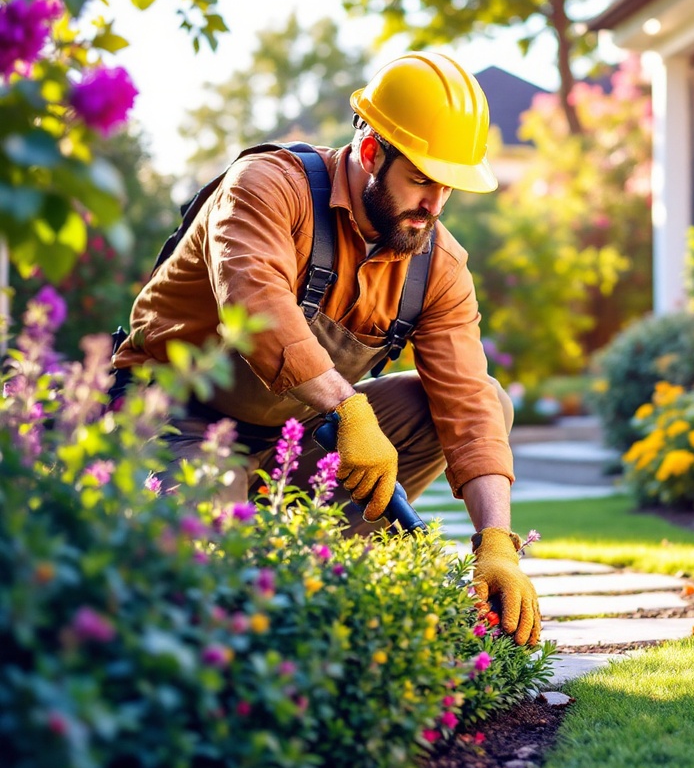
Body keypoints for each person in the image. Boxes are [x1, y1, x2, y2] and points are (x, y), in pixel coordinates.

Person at [112, 51, 541, 647]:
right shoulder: (267, 188)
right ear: (371, 153)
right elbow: (254, 309)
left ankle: (310, 568)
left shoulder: (437, 264)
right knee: (213, 594)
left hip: (291, 446)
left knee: (489, 399)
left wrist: (497, 542)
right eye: (420, 179)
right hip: (174, 419)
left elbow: (469, 405)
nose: (434, 205)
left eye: (447, 187)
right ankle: (250, 575)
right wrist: (349, 408)